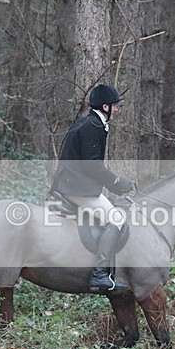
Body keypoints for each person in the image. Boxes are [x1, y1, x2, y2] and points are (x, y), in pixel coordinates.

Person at [52, 84, 136, 292]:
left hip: (75, 182)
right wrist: (117, 182)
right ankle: (100, 274)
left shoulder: (90, 123)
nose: (117, 110)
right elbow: (93, 166)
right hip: (76, 187)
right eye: (115, 106)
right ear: (105, 107)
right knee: (117, 219)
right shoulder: (93, 126)